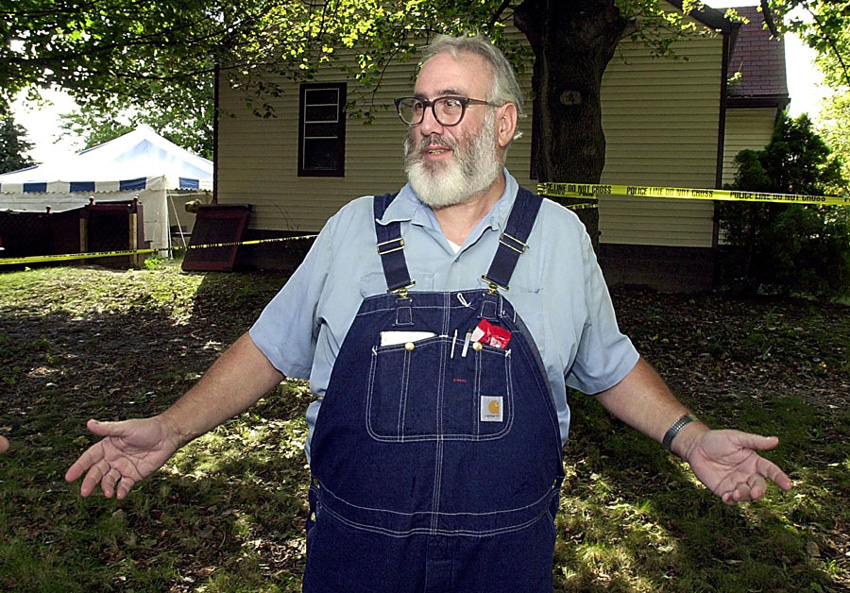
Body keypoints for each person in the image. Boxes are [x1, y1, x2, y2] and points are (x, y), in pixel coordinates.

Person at [66, 34, 792, 592]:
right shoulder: (352, 230)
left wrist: (692, 438)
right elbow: (267, 348)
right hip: (357, 551)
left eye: (450, 104)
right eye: (418, 106)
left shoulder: (560, 239)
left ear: (504, 123)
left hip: (505, 555)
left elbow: (609, 364)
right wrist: (171, 428)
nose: (427, 125)